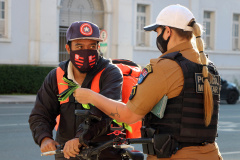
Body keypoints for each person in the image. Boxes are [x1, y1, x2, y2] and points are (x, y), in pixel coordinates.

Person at [73, 4, 223, 160]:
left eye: (157, 32)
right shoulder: (208, 67)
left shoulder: (166, 67)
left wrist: (92, 97)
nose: (156, 37)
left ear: (168, 31)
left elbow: (129, 115)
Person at [28, 21, 123, 160]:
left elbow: (105, 113)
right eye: (79, 46)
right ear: (68, 48)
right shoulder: (56, 76)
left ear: (98, 47)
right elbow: (40, 114)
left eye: (92, 46)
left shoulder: (110, 73)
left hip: (104, 153)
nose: (86, 51)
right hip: (65, 154)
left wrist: (80, 138)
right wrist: (44, 138)